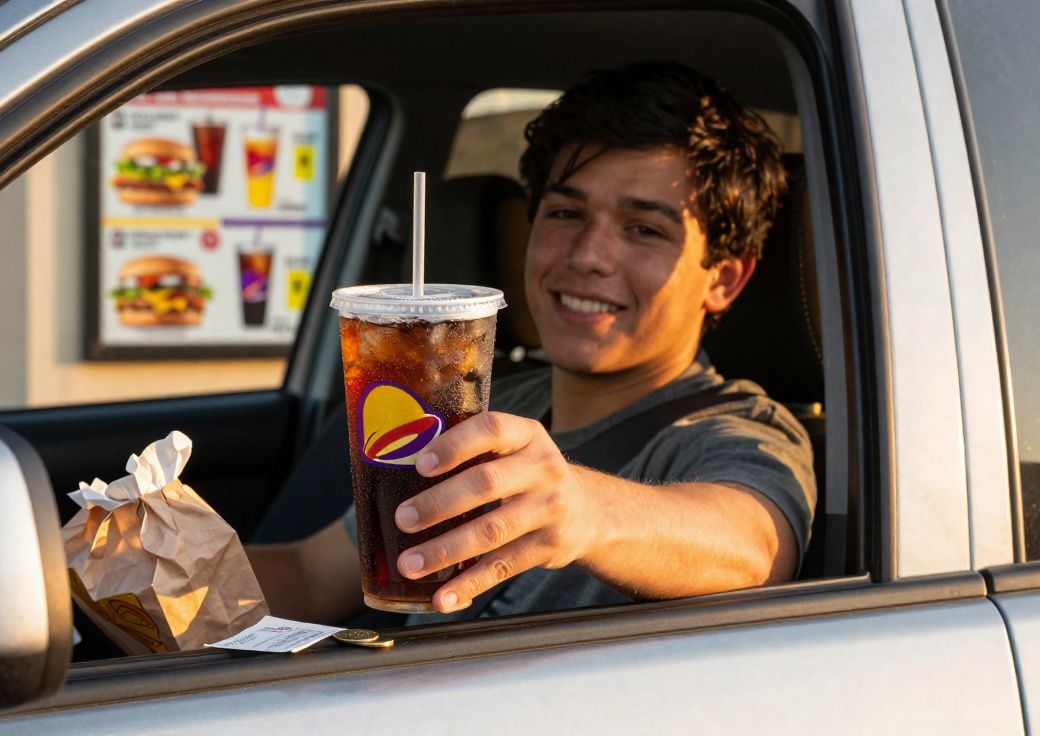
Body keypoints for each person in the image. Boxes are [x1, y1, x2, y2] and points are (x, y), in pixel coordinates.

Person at [247, 61, 814, 624]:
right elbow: (311, 576)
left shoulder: (740, 432)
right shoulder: (481, 404)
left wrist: (585, 510)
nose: (588, 256)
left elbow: (755, 548)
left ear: (723, 279)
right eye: (566, 213)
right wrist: (190, 561)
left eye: (645, 229)